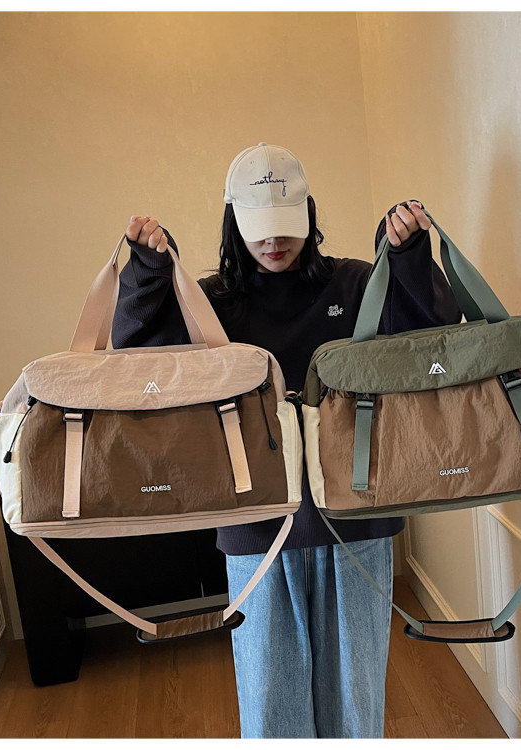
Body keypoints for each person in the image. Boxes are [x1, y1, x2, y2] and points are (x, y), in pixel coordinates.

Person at [112, 142, 461, 738]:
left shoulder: (355, 284)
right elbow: (140, 360)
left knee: (356, 702)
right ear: (234, 221)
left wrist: (403, 255)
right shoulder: (211, 304)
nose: (275, 241)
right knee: (270, 705)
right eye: (259, 227)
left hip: (355, 518)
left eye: (286, 224)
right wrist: (149, 271)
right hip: (256, 525)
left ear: (309, 214)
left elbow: (433, 336)